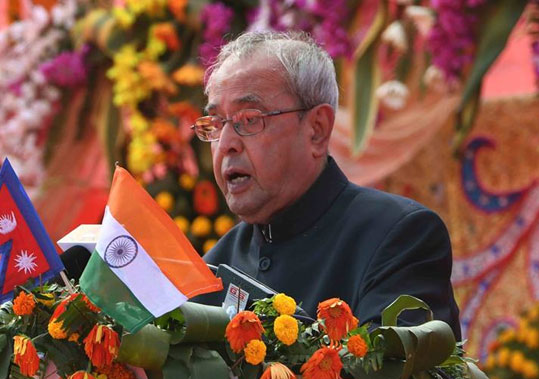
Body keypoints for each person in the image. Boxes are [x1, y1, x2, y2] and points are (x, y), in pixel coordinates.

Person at [196, 30, 461, 340]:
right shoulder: (212, 270)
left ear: (317, 130)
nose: (226, 144)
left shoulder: (400, 237)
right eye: (215, 124)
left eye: (249, 119)